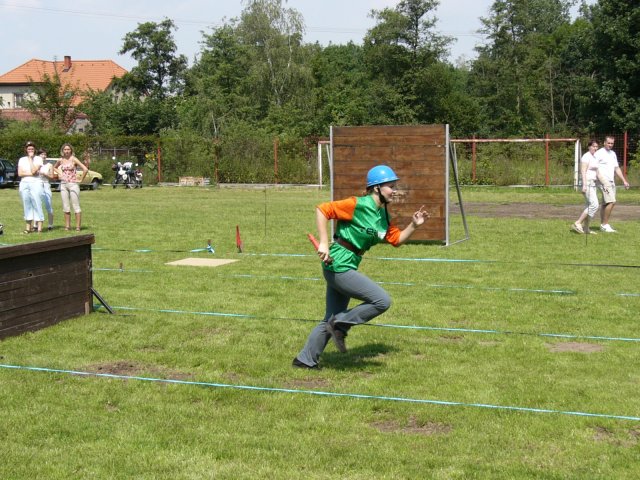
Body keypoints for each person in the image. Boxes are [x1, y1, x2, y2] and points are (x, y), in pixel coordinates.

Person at [293, 165, 429, 369]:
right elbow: (323, 210)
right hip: (338, 264)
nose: (395, 190)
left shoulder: (382, 215)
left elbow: (397, 239)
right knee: (382, 301)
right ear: (376, 188)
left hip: (348, 264)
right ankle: (341, 325)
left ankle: (305, 360)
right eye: (391, 186)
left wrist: (414, 225)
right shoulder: (357, 204)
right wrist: (323, 242)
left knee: (331, 318)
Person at [595, 136, 630, 232]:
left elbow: (616, 168)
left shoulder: (613, 154)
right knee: (612, 201)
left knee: (606, 203)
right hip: (603, 181)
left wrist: (624, 180)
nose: (610, 145)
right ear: (604, 142)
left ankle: (603, 225)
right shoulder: (599, 153)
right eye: (608, 143)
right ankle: (605, 224)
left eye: (612, 143)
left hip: (611, 181)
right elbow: (595, 167)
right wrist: (600, 179)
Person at [572, 140, 605, 234]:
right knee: (594, 205)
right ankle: (578, 223)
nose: (595, 148)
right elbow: (583, 171)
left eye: (597, 147)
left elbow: (597, 172)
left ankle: (586, 228)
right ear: (589, 147)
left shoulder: (594, 157)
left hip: (593, 184)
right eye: (594, 146)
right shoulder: (586, 157)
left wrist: (604, 184)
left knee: (589, 206)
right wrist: (584, 185)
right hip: (587, 183)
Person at [54, 143, 87, 231]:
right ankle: (67, 226)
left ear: (71, 150)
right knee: (66, 206)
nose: (67, 151)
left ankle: (77, 227)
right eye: (65, 149)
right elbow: (54, 167)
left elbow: (85, 169)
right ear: (62, 151)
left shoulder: (74, 159)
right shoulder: (60, 160)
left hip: (73, 184)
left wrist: (81, 180)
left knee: (75, 205)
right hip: (63, 184)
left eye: (68, 149)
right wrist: (59, 173)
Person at [17, 141, 45, 234]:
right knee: (27, 204)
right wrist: (31, 173)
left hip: (36, 183)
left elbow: (34, 171)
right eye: (29, 149)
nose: (30, 150)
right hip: (24, 183)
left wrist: (30, 159)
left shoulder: (38, 159)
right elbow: (20, 173)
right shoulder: (21, 159)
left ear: (34, 150)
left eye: (32, 149)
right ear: (26, 149)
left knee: (37, 203)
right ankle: (28, 227)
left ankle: (39, 227)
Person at [37, 149, 55, 231]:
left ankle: (50, 224)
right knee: (37, 204)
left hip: (46, 185)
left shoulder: (49, 165)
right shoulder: (35, 164)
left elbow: (52, 177)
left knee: (48, 204)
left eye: (45, 154)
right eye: (42, 154)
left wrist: (45, 174)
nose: (44, 156)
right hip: (37, 185)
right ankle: (35, 224)